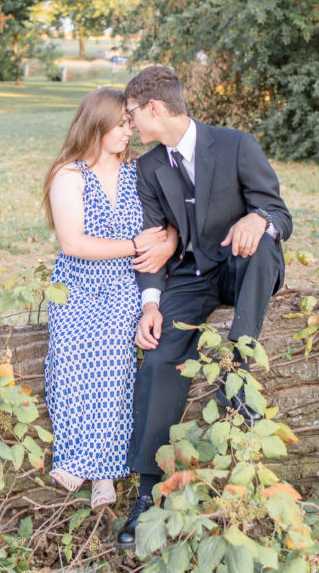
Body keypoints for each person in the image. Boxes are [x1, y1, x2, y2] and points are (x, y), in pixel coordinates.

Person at [116, 67, 292, 548]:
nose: (130, 124)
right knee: (158, 359)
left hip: (240, 265)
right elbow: (153, 243)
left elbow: (281, 214)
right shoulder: (149, 168)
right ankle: (148, 495)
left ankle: (240, 362)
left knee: (265, 244)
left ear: (154, 108)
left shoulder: (236, 145)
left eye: (131, 114)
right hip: (191, 278)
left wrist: (259, 219)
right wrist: (150, 304)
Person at [42, 87, 176, 510]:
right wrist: (134, 243)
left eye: (129, 123)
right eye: (119, 125)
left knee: (114, 350)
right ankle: (84, 462)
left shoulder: (139, 172)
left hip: (123, 282)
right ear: (96, 125)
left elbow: (171, 223)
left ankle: (98, 471)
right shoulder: (69, 174)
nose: (128, 131)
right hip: (77, 282)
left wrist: (165, 244)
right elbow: (73, 243)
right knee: (68, 351)